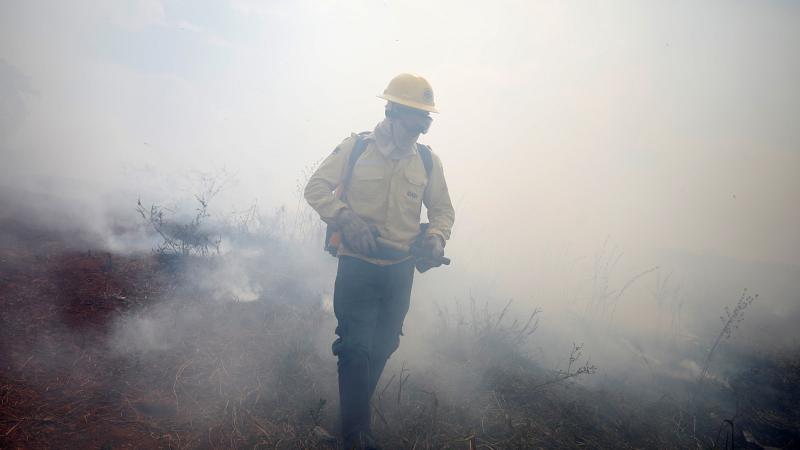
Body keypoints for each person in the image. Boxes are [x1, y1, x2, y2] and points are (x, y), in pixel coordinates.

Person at [304, 73, 455, 449]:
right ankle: (357, 436)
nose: (421, 126)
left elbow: (442, 211)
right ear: (392, 111)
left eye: (425, 120)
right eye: (415, 118)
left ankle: (347, 425)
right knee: (355, 346)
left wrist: (435, 238)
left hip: (400, 270)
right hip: (357, 264)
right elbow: (316, 188)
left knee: (384, 345)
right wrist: (344, 217)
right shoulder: (356, 148)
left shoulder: (426, 161)